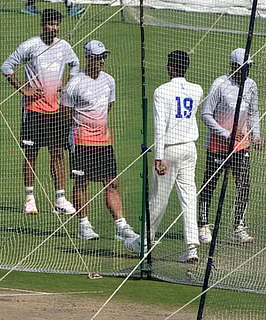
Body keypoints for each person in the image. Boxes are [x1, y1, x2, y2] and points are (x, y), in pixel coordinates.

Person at [125, 50, 203, 263]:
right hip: (189, 149)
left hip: (169, 150)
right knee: (188, 198)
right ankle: (192, 248)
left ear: (170, 67)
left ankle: (144, 244)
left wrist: (158, 156)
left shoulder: (162, 91)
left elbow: (160, 127)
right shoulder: (197, 90)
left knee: (159, 199)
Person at [1, 9, 79, 216]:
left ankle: (60, 200)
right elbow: (6, 66)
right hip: (33, 110)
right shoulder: (30, 45)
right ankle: (29, 199)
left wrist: (68, 84)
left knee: (57, 154)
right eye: (49, 24)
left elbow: (76, 64)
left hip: (56, 111)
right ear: (42, 25)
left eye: (56, 24)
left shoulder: (64, 47)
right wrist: (22, 89)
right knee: (31, 155)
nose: (53, 27)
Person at [60, 40, 139, 241]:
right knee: (81, 183)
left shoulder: (109, 81)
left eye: (104, 56)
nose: (102, 60)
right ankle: (84, 225)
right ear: (88, 58)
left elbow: (108, 108)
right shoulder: (75, 83)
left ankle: (121, 226)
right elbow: (65, 114)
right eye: (98, 57)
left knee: (112, 182)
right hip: (81, 142)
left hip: (103, 143)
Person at [198, 48, 260, 244]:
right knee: (211, 184)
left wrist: (256, 135)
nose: (247, 72)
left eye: (248, 68)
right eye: (244, 68)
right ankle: (204, 225)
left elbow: (254, 113)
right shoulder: (220, 84)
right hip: (218, 145)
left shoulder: (251, 85)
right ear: (234, 67)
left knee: (244, 185)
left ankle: (238, 227)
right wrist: (226, 134)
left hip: (242, 145)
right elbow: (206, 115)